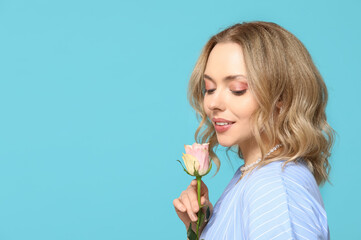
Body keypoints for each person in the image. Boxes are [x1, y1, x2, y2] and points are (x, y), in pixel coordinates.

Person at [173, 21, 336, 239]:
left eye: (237, 89)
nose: (213, 103)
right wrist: (201, 228)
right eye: (209, 88)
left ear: (281, 97)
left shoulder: (273, 188)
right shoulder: (254, 175)